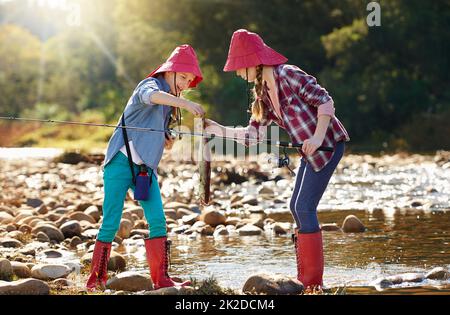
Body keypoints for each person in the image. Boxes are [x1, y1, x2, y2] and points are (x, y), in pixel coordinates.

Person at [205, 29, 350, 289]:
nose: (238, 73)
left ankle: (312, 283)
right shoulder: (263, 94)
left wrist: (316, 138)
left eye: (239, 67)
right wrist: (217, 129)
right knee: (296, 206)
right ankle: (306, 277)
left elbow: (325, 102)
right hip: (310, 152)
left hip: (327, 145)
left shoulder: (288, 74)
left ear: (254, 62)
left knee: (304, 207)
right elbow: (252, 137)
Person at [86, 44, 205, 291]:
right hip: (119, 163)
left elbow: (163, 142)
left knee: (158, 220)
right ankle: (96, 279)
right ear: (168, 71)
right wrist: (185, 105)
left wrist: (168, 140)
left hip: (145, 170)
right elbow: (149, 97)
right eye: (182, 76)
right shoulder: (149, 85)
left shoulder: (171, 104)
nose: (185, 84)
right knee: (110, 221)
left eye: (189, 80)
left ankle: (161, 279)